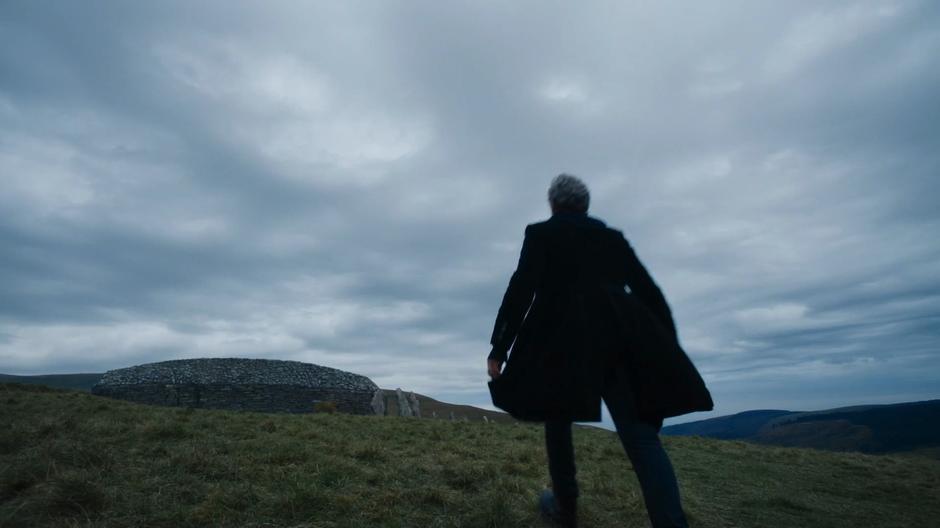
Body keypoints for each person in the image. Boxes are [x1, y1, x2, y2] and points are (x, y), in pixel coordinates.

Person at [487, 174, 713, 528]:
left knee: (557, 420)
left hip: (562, 343)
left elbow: (521, 290)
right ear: (586, 206)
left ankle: (565, 508)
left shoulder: (542, 234)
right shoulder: (611, 238)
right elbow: (649, 293)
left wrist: (499, 347)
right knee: (641, 437)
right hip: (624, 340)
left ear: (553, 204)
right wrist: (666, 348)